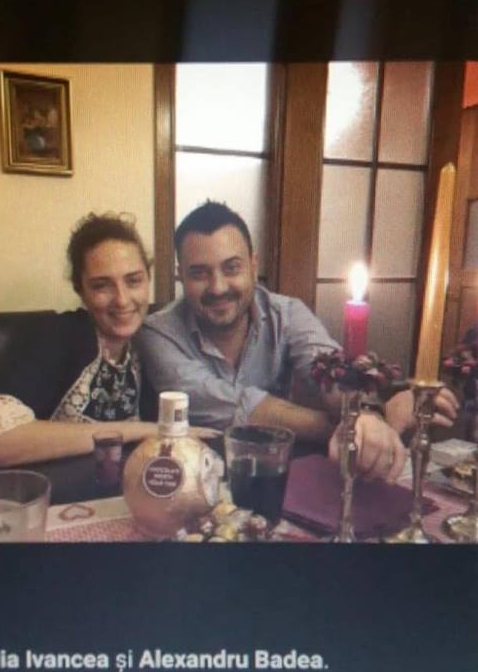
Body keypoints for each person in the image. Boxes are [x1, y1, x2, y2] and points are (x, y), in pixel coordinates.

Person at [135, 201, 459, 482]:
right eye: (199, 273)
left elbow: (331, 372)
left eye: (232, 268)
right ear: (180, 275)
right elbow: (232, 405)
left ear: (253, 265)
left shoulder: (288, 314)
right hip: (192, 483)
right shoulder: (157, 333)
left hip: (281, 477)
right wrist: (355, 425)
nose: (218, 287)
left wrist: (368, 414)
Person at [0, 212, 216, 468]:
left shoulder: (149, 343)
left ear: (148, 279)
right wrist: (139, 431)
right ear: (80, 290)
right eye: (101, 285)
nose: (122, 300)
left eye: (133, 281)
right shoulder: (58, 335)